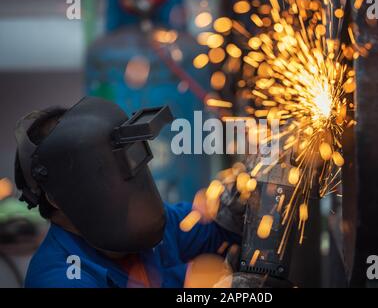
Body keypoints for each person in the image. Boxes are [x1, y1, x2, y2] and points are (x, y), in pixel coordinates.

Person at [14, 97, 241, 288]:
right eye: (100, 174)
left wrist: (244, 200)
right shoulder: (59, 279)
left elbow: (215, 229)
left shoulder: (150, 228)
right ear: (57, 199)